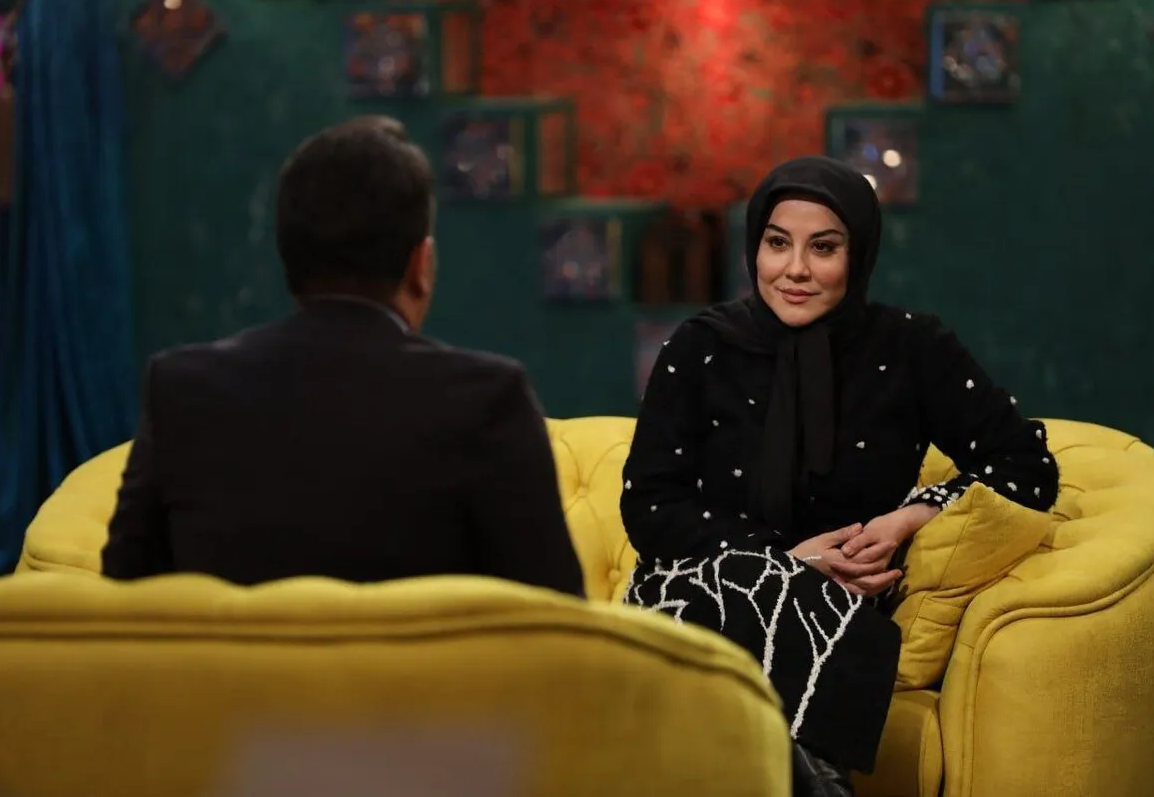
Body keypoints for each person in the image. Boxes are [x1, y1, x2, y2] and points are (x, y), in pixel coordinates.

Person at [620, 157, 1058, 793]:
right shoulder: (698, 348)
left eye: (823, 247)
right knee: (738, 595)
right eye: (778, 243)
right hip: (700, 579)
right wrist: (785, 560)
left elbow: (1026, 466)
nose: (795, 268)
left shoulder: (911, 348)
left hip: (841, 596)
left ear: (859, 254)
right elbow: (650, 506)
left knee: (806, 611)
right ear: (755, 248)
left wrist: (912, 514)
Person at [103, 116, 584, 597]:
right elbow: (558, 619)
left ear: (289, 258)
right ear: (421, 265)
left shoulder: (180, 387)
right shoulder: (488, 400)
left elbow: (121, 605)